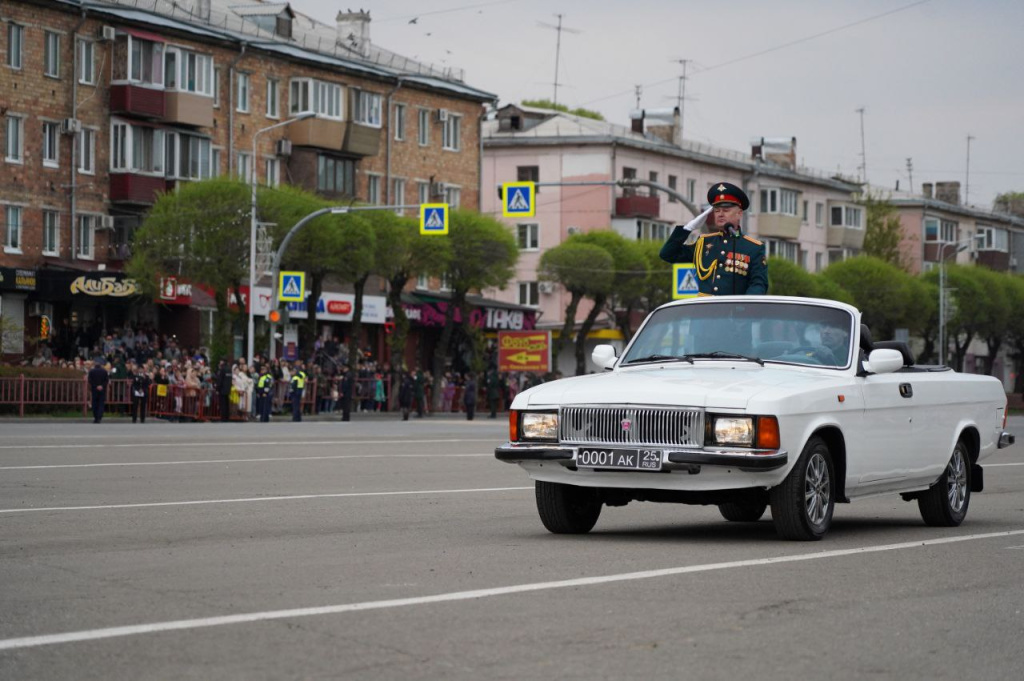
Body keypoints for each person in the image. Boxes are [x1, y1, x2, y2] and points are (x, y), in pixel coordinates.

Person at [659, 182, 768, 296]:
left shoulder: (753, 247)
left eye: (726, 210)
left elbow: (758, 284)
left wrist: (743, 306)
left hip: (735, 311)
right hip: (705, 311)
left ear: (739, 214)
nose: (720, 214)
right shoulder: (704, 243)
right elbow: (667, 254)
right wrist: (687, 228)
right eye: (716, 210)